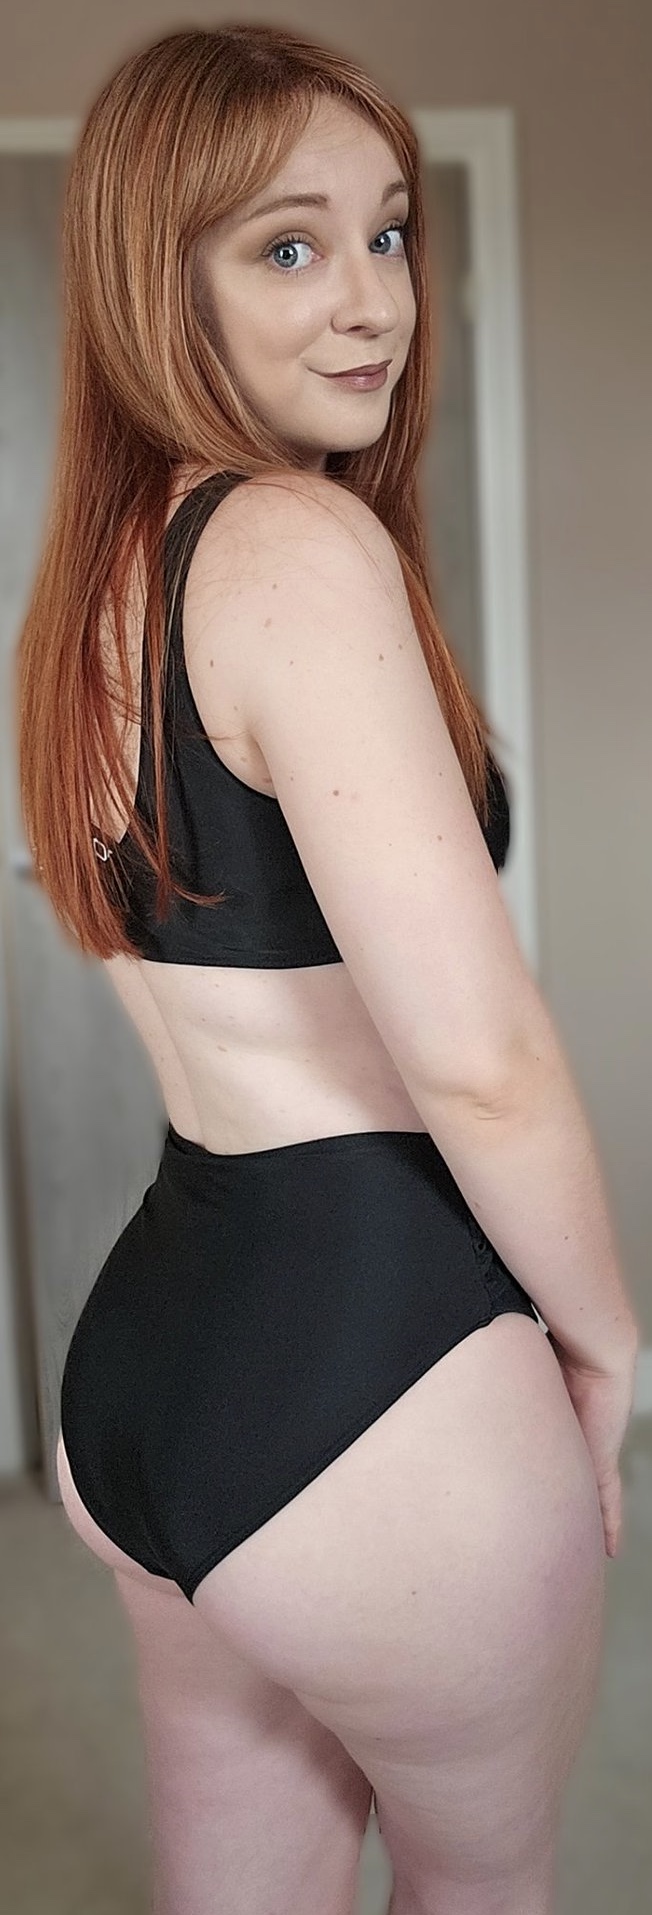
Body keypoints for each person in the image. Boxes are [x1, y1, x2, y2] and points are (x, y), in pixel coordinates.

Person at [17, 23, 639, 1915]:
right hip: (381, 1379)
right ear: (162, 276)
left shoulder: (95, 580)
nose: (372, 299)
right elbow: (481, 1060)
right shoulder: (293, 545)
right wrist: (607, 1339)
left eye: (387, 233)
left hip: (150, 1366)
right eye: (287, 246)